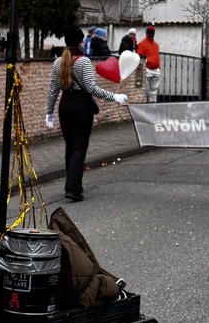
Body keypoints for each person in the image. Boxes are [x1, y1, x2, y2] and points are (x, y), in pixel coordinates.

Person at [46, 26, 129, 201]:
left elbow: (53, 90)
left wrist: (50, 113)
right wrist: (114, 96)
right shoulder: (84, 62)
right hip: (82, 107)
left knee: (70, 147)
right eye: (82, 40)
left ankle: (71, 183)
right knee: (79, 147)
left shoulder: (57, 62)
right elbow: (91, 88)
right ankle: (73, 189)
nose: (85, 43)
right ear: (79, 43)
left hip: (65, 107)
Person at [137, 24, 161, 102]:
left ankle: (153, 105)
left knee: (154, 90)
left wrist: (158, 67)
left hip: (156, 69)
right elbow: (140, 58)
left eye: (152, 33)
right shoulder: (141, 44)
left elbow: (157, 56)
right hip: (147, 69)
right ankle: (145, 103)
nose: (151, 34)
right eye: (150, 33)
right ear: (147, 33)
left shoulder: (156, 45)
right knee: (146, 89)